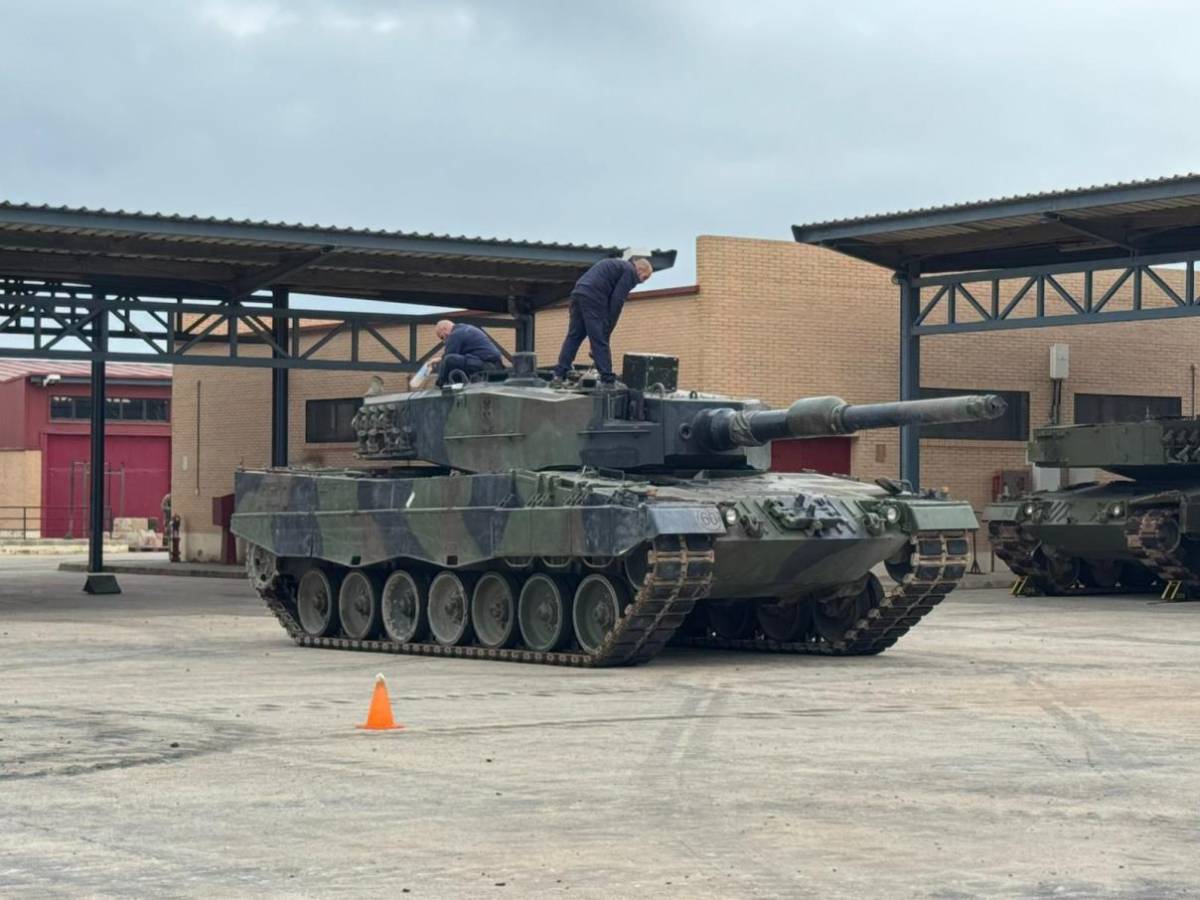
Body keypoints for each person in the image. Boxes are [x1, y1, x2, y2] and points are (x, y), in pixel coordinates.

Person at [552, 256, 653, 386]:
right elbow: (617, 300)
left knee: (574, 336)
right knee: (599, 339)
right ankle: (607, 379)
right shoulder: (629, 271)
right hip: (594, 295)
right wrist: (607, 330)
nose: (642, 282)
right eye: (644, 277)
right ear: (639, 269)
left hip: (578, 293)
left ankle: (559, 374)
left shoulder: (615, 264)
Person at [429, 319, 503, 386]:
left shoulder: (455, 334)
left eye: (442, 337)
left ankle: (441, 386)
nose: (444, 341)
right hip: (490, 363)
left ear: (444, 329)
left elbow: (448, 357)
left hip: (485, 364)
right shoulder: (464, 329)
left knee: (449, 360)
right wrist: (439, 359)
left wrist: (439, 378)